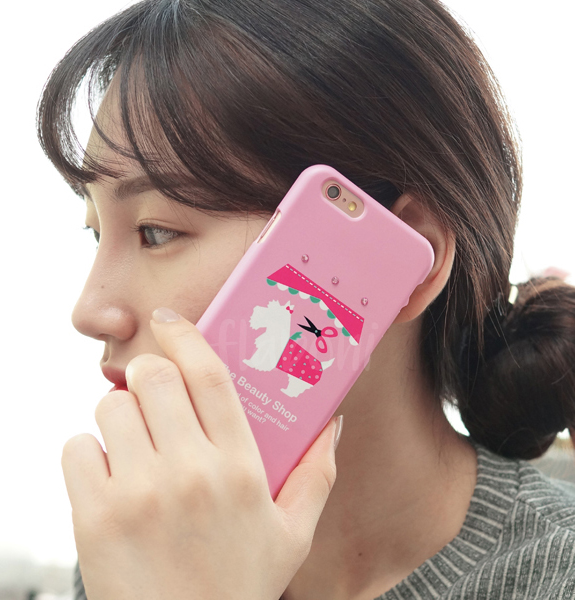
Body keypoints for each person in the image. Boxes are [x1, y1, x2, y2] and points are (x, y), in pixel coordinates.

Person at [36, 0, 575, 598]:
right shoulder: (145, 547)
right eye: (95, 233)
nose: (90, 311)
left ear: (401, 261)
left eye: (156, 231)